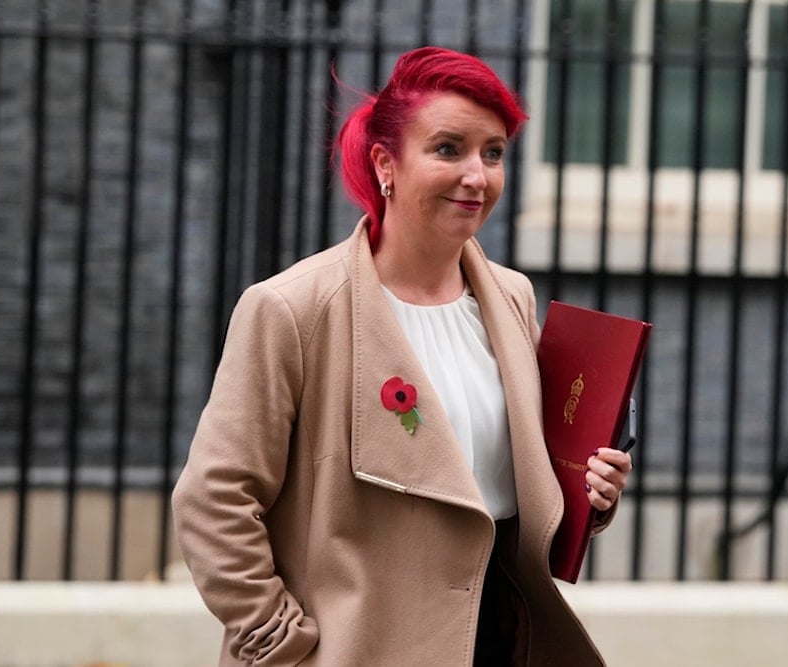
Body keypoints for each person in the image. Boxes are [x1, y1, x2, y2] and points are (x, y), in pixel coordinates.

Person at [171, 45, 633, 666]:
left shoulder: (512, 297)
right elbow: (213, 503)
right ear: (385, 166)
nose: (478, 175)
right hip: (358, 647)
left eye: (493, 153)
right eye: (448, 149)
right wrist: (283, 645)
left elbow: (511, 484)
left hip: (499, 635)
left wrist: (588, 493)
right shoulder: (291, 308)